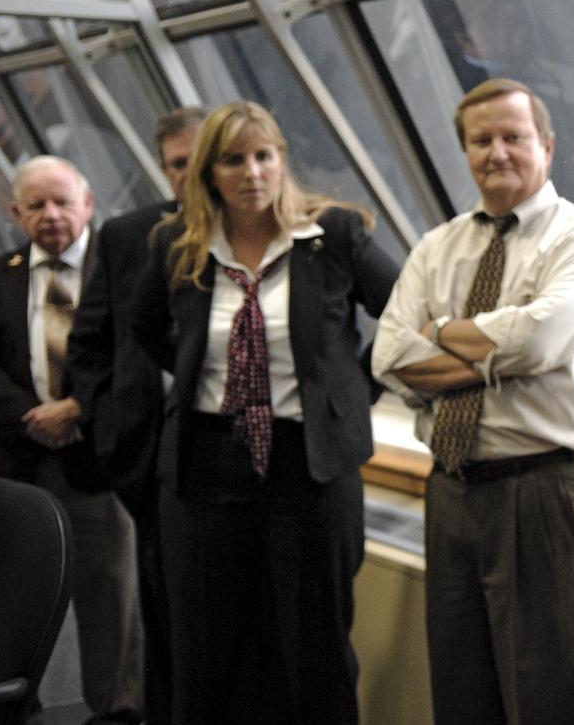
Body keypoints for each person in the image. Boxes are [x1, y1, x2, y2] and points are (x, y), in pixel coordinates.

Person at [129, 101, 398, 724]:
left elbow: (405, 312)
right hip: (204, 465)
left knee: (316, 652)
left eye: (263, 155)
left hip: (309, 465)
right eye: (232, 159)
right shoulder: (178, 244)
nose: (251, 172)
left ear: (281, 161)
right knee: (207, 652)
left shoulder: (333, 235)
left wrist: (351, 393)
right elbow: (145, 329)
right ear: (207, 172)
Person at [372, 78, 574, 725]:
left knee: (545, 701)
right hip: (449, 488)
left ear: (547, 144)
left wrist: (438, 334)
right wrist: (493, 356)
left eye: (514, 136)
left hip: (538, 492)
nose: (498, 151)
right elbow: (387, 356)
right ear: (466, 150)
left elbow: (540, 338)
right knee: (459, 698)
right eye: (482, 140)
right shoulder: (439, 245)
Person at [0, 155, 144, 724]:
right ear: (17, 213)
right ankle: (20, 707)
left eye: (63, 201)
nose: (52, 215)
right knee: (16, 603)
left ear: (88, 204)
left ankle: (115, 711)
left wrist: (76, 410)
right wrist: (33, 416)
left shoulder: (121, 269)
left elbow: (135, 356)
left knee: (110, 600)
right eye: (36, 205)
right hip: (22, 465)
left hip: (100, 464)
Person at [68, 106, 205, 725]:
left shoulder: (267, 232)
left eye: (206, 158)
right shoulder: (128, 235)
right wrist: (110, 431)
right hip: (150, 463)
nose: (193, 173)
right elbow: (90, 342)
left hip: (239, 458)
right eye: (180, 164)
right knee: (167, 625)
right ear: (164, 167)